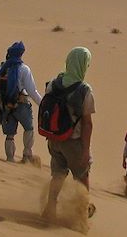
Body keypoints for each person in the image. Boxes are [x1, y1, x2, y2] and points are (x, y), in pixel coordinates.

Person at [41, 46, 96, 221]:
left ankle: (50, 207)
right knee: (82, 175)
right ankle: (81, 216)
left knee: (58, 174)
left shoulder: (53, 83)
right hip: (73, 142)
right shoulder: (84, 90)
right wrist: (86, 151)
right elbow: (87, 124)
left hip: (54, 139)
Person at [0, 41, 43, 164]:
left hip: (5, 106)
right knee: (29, 129)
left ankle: (10, 159)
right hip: (22, 105)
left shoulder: (1, 68)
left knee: (9, 135)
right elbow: (32, 91)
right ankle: (27, 155)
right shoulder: (24, 69)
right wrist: (42, 104)